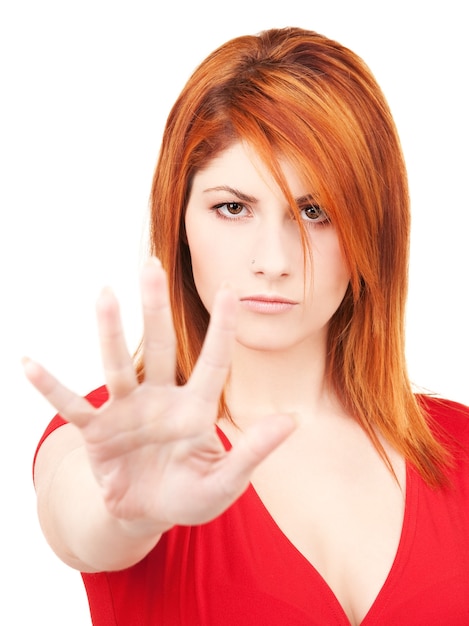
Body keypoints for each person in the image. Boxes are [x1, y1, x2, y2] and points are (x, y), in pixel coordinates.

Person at [24, 26, 469, 626]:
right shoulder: (117, 438)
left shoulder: (460, 447)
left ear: (374, 231)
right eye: (232, 207)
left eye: (316, 212)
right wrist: (125, 512)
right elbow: (80, 521)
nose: (274, 260)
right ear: (179, 222)